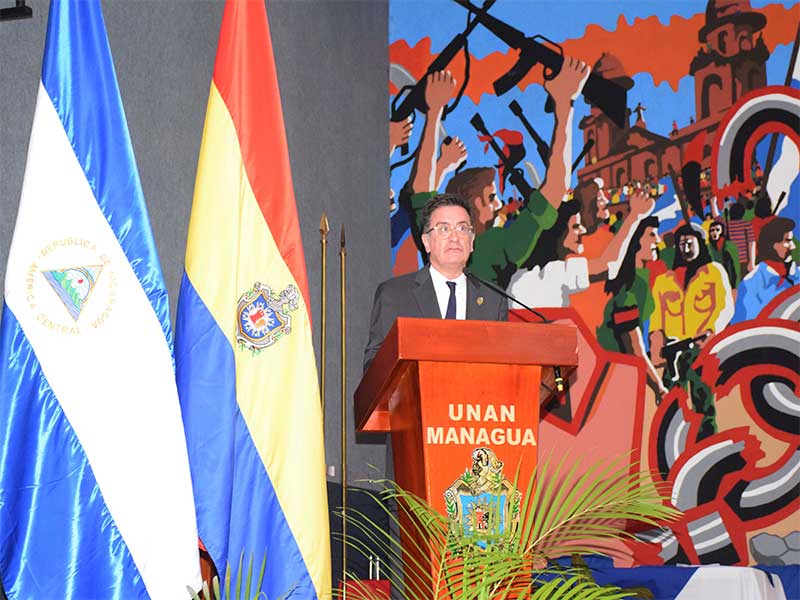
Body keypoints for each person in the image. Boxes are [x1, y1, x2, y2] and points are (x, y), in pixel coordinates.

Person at [405, 57, 591, 288]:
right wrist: (564, 104)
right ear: (471, 205)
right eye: (491, 197)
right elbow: (554, 190)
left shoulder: (438, 242)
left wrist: (434, 112)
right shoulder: (495, 247)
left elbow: (420, 189)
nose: (499, 205)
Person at [363, 194, 507, 371]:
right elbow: (374, 367)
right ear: (426, 242)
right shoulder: (394, 294)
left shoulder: (494, 299)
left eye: (462, 228)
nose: (455, 237)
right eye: (444, 229)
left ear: (471, 242)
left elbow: (503, 366)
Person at [731, 217, 796, 324]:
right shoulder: (751, 284)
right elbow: (744, 327)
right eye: (787, 241)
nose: (793, 247)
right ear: (773, 244)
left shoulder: (796, 274)